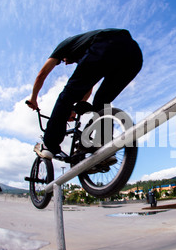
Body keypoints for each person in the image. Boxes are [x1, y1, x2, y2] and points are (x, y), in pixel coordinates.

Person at [27, 28, 143, 159]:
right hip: (134, 56)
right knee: (102, 101)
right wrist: (74, 108)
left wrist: (33, 98)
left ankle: (49, 145)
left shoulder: (64, 45)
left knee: (66, 95)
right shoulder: (85, 50)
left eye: (62, 60)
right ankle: (105, 147)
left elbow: (41, 74)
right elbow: (88, 87)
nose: (64, 62)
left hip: (108, 42)